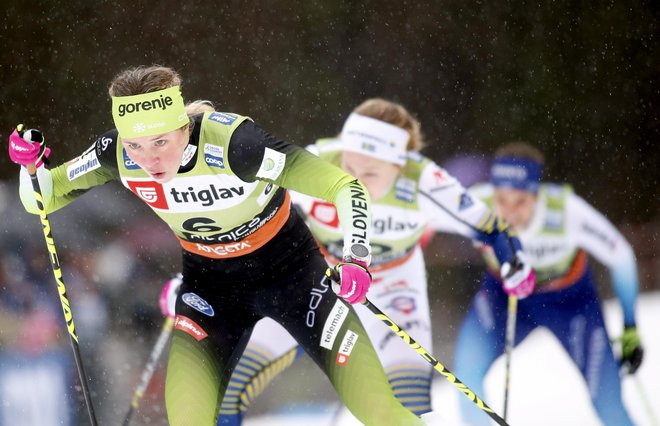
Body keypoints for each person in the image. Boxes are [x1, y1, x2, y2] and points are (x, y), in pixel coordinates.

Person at [8, 65, 427, 425]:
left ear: (184, 128)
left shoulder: (236, 147)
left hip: (296, 278)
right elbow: (41, 198)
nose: (149, 162)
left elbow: (342, 185)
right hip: (212, 290)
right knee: (189, 417)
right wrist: (30, 166)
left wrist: (356, 256)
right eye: (135, 145)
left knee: (380, 413)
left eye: (160, 143)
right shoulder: (114, 154)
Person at [183, 98, 534, 424]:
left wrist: (513, 262)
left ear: (399, 165)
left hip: (395, 283)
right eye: (349, 165)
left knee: (406, 402)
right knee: (227, 391)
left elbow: (492, 228)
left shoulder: (424, 180)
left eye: (370, 175)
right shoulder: (319, 159)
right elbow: (247, 217)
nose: (354, 182)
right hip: (315, 278)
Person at [451, 142, 644, 425]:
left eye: (520, 202)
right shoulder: (476, 204)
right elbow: (423, 211)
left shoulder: (565, 211)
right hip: (504, 297)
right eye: (502, 200)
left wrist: (630, 326)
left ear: (537, 196)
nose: (509, 213)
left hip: (571, 303)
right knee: (466, 377)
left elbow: (622, 256)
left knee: (608, 403)